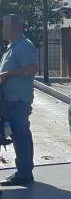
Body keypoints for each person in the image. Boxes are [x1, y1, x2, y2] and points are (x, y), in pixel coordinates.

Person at [0, 14, 37, 187]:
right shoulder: (12, 46)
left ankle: (23, 174)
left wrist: (8, 74)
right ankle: (25, 170)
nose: (3, 30)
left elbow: (31, 68)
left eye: (5, 26)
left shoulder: (23, 46)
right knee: (21, 134)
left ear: (16, 27)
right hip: (12, 100)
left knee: (20, 135)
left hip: (18, 100)